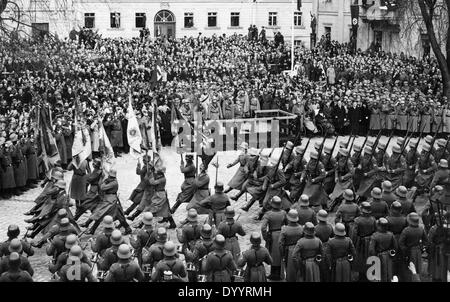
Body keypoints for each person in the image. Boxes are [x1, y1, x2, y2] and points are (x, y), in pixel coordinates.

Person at [261, 196, 286, 281]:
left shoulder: (268, 214)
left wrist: (266, 237)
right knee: (279, 253)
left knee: (273, 253)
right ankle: (279, 272)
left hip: (273, 235)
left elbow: (263, 228)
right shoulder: (284, 213)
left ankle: (274, 273)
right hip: (282, 234)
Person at [398, 212, 428, 282]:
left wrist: (405, 250)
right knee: (418, 267)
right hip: (418, 250)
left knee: (410, 267)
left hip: (409, 251)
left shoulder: (406, 230)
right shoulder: (421, 229)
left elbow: (400, 242)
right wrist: (422, 248)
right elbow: (426, 240)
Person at [352, 201, 376, 281]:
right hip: (371, 242)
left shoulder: (357, 220)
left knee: (361, 260)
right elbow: (375, 231)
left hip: (361, 243)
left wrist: (354, 244)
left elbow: (354, 235)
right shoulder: (373, 219)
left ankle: (362, 277)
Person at [368, 218, 398, 282]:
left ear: (378, 226)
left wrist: (373, 258)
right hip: (389, 256)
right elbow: (395, 247)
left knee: (379, 273)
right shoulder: (391, 234)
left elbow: (371, 250)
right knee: (389, 271)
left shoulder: (374, 236)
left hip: (379, 256)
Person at [279, 209, 303, 282]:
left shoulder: (284, 229)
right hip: (299, 251)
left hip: (288, 251)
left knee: (289, 271)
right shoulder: (301, 228)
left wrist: (282, 254)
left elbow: (280, 243)